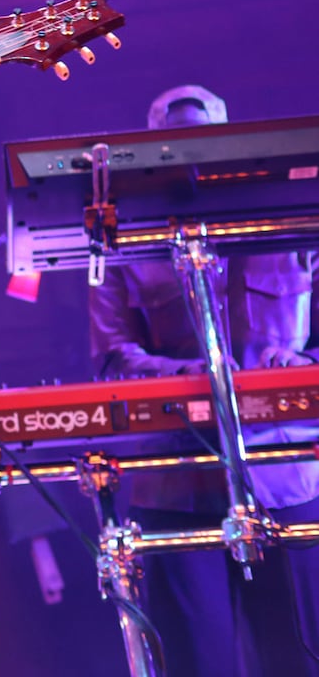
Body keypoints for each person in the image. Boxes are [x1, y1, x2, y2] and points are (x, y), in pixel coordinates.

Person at [89, 84, 319, 676]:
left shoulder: (292, 223)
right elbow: (112, 359)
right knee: (199, 663)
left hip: (288, 477)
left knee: (300, 656)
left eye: (204, 141)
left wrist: (301, 365)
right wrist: (194, 375)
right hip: (176, 481)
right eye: (174, 145)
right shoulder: (122, 241)